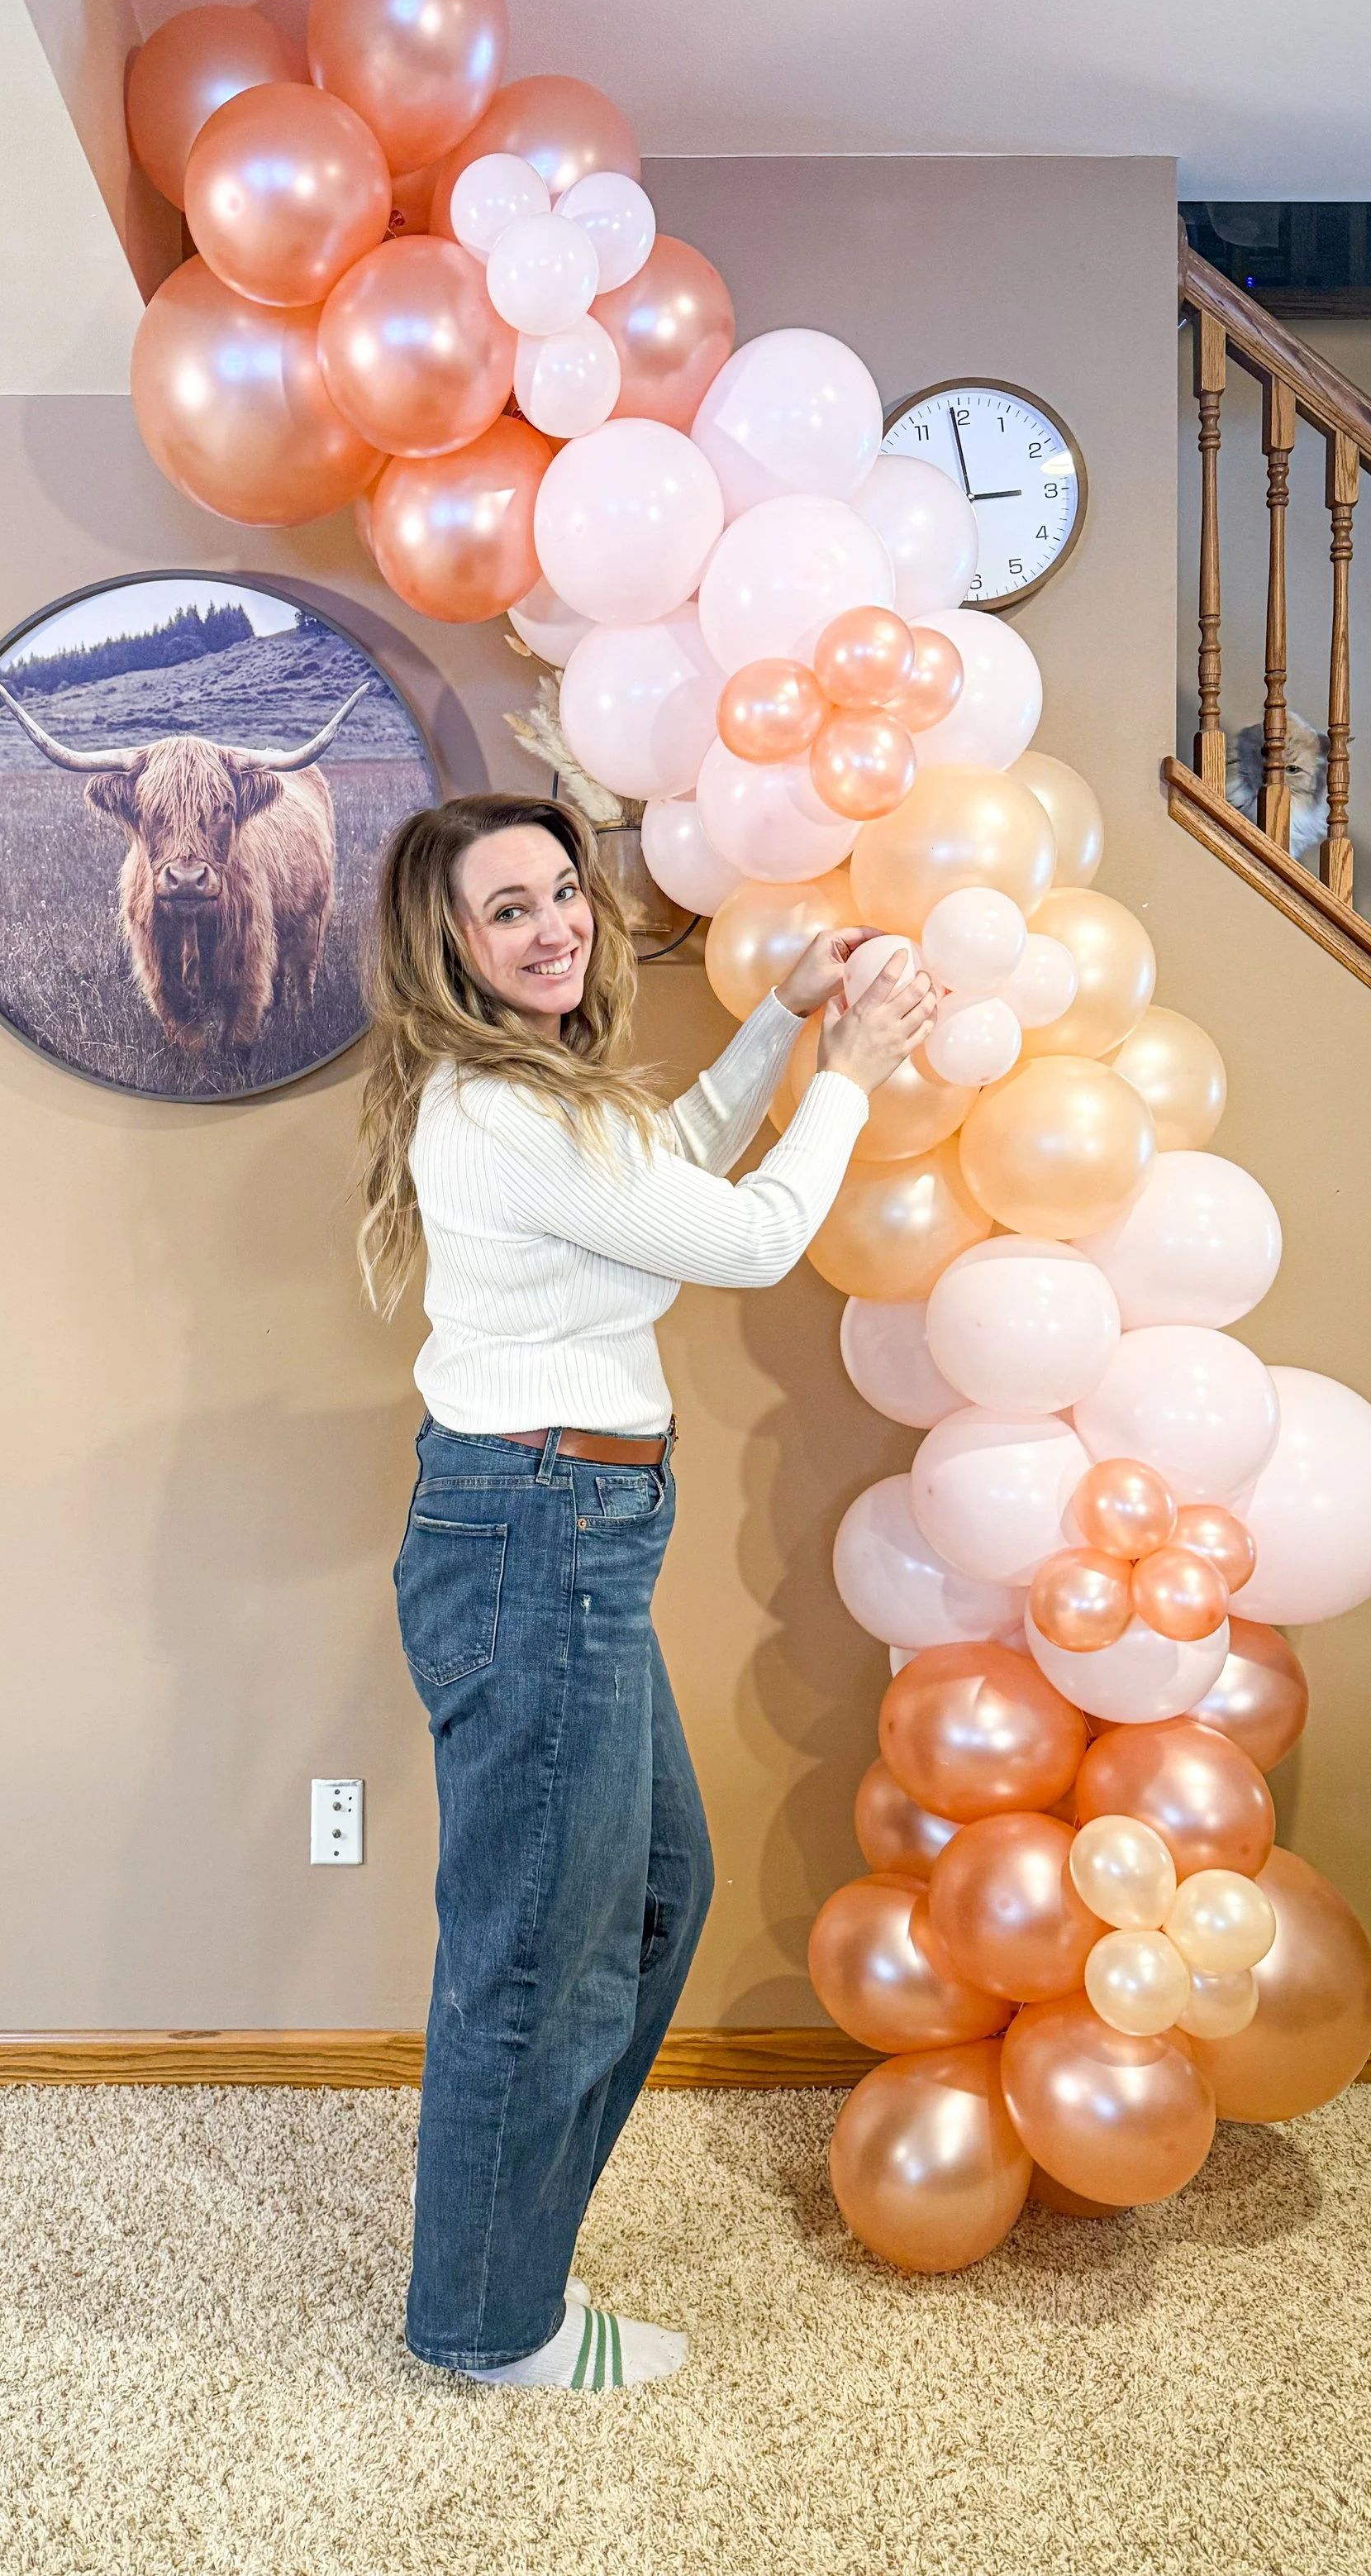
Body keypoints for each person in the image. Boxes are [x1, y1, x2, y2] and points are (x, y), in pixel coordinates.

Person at [356, 791, 937, 2390]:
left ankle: (512, 2254)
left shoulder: (541, 1097)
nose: (558, 926)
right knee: (538, 1955)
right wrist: (851, 1072)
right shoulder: (498, 1110)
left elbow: (665, 1172)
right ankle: (493, 2323)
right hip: (537, 1533)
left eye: (563, 891)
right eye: (509, 910)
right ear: (446, 946)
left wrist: (782, 1023)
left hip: (576, 1531)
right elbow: (746, 1239)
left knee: (653, 1895)